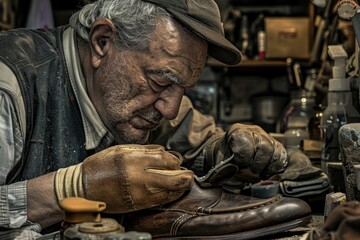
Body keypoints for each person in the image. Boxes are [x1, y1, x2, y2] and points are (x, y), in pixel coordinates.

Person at [0, 0, 288, 238]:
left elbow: (201, 141)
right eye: (161, 82)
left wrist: (233, 150)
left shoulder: (145, 101)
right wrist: (73, 188)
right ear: (102, 41)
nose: (170, 109)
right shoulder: (9, 86)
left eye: (183, 88)